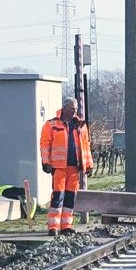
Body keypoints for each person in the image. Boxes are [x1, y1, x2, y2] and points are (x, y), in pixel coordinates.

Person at [39, 99, 93, 236]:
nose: (74, 111)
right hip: (59, 167)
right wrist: (46, 162)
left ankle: (66, 226)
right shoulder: (51, 124)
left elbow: (86, 146)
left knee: (70, 197)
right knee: (58, 196)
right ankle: (53, 227)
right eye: (71, 109)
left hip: (75, 167)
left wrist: (88, 165)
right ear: (64, 108)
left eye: (75, 109)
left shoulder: (80, 125)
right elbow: (45, 145)